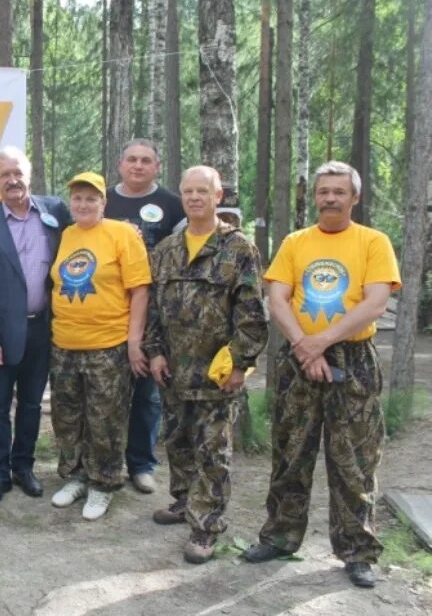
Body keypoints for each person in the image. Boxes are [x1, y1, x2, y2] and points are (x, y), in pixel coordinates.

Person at [242, 161, 401, 589]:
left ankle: (357, 550)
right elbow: (278, 298)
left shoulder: (373, 242)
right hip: (298, 359)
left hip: (353, 361)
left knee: (354, 460)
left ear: (355, 197)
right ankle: (279, 537)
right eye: (323, 191)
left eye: (338, 191)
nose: (330, 198)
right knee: (291, 453)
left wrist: (321, 342)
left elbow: (374, 302)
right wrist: (304, 345)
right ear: (315, 197)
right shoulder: (295, 242)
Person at [144, 166, 267, 563]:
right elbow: (155, 312)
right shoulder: (166, 250)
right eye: (188, 191)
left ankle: (206, 526)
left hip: (216, 372)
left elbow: (251, 315)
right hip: (174, 370)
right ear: (181, 196)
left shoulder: (239, 249)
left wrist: (240, 364)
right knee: (178, 442)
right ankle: (184, 502)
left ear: (218, 196)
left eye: (203, 191)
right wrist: (155, 351)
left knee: (213, 451)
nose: (195, 197)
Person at [0, 146, 72, 507]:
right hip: (1, 335)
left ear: (29, 175)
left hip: (44, 330)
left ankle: (23, 467)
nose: (12, 180)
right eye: (4, 175)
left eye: (18, 173)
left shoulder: (56, 211)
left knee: (30, 405)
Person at [48, 171, 151, 520]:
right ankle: (75, 476)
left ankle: (103, 484)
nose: (83, 203)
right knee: (67, 416)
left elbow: (140, 289)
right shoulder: (66, 235)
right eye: (77, 198)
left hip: (108, 344)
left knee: (105, 419)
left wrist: (134, 341)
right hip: (64, 343)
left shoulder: (122, 234)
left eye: (91, 198)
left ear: (103, 202)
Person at [104, 138, 185, 494]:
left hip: (154, 312)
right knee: (105, 392)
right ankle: (106, 462)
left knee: (147, 393)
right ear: (120, 164)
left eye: (146, 160)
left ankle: (142, 464)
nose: (138, 166)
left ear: (157, 166)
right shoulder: (103, 200)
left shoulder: (173, 206)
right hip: (107, 308)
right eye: (132, 160)